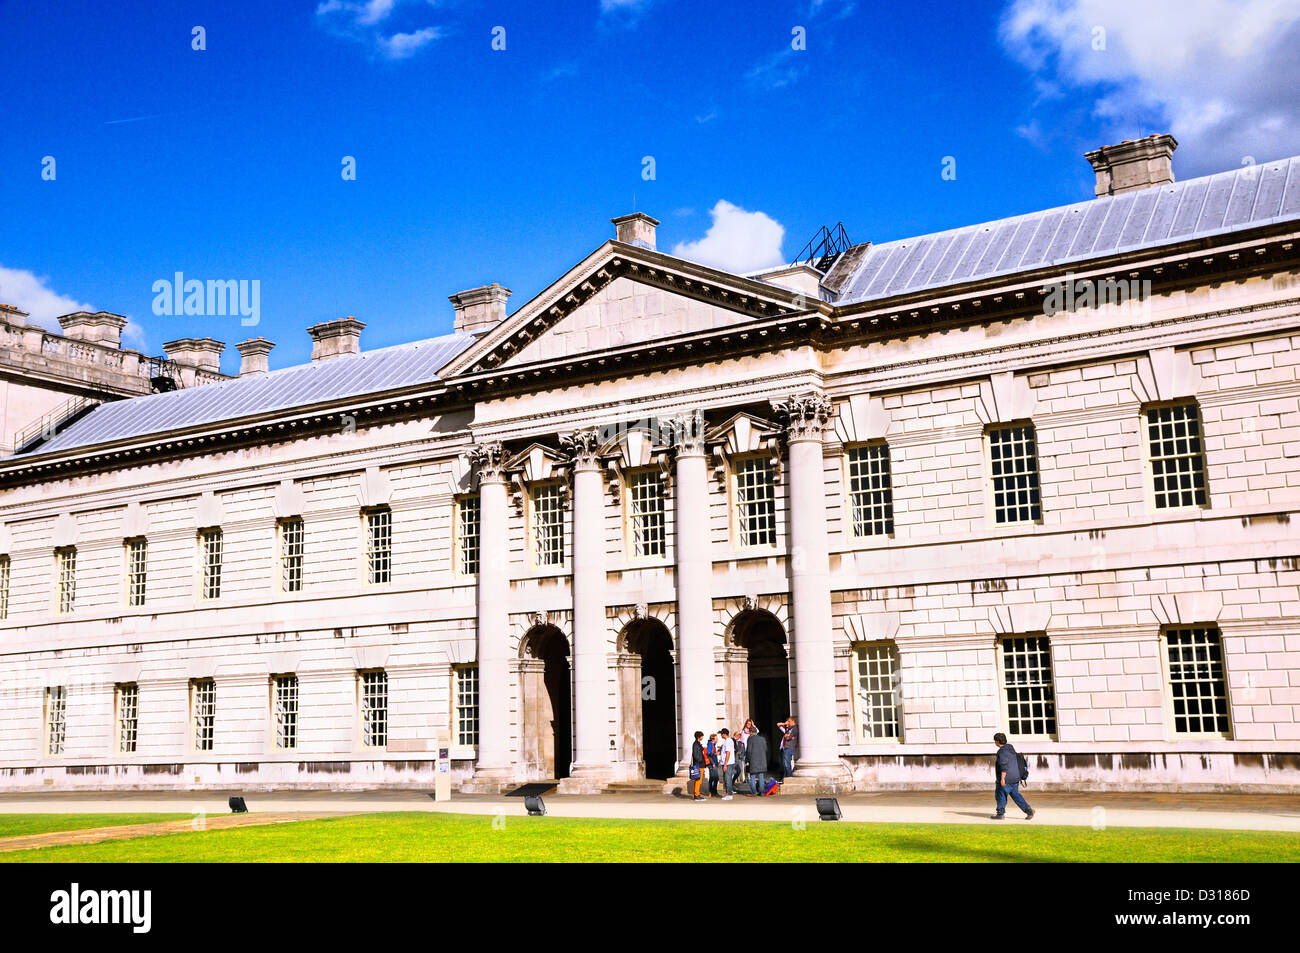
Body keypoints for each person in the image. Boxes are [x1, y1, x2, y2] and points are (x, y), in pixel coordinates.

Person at [991, 732, 1034, 820]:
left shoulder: (1001, 752)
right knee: (1016, 795)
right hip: (1015, 777)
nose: (995, 742)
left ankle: (1000, 814)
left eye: (995, 741)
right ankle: (1028, 810)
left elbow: (1004, 766)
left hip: (1007, 778)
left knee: (1000, 795)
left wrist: (1002, 779)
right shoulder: (1010, 747)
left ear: (998, 741)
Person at [746, 727, 770, 796]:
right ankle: (762, 792)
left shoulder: (750, 739)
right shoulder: (762, 739)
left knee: (752, 777)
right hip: (762, 760)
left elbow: (749, 751)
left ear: (750, 732)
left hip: (753, 760)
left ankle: (754, 793)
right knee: (761, 777)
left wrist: (747, 760)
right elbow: (765, 749)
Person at [777, 716, 797, 782]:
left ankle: (789, 779)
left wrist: (787, 736)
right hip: (785, 748)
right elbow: (778, 725)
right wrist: (784, 724)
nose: (788, 723)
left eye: (789, 721)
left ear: (793, 721)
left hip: (789, 748)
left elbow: (788, 737)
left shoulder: (794, 728)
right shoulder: (788, 729)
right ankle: (785, 779)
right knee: (785, 764)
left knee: (787, 765)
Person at [718, 728, 736, 800]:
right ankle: (728, 793)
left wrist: (725, 764)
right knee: (727, 778)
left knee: (727, 778)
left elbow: (728, 753)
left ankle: (729, 794)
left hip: (728, 763)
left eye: (721, 734)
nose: (721, 735)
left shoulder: (728, 741)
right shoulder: (728, 740)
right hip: (728, 763)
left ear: (724, 734)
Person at [690, 730, 707, 801]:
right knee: (698, 780)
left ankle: (697, 794)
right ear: (699, 737)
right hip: (699, 764)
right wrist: (701, 760)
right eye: (702, 736)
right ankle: (696, 795)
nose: (703, 737)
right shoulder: (696, 744)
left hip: (700, 764)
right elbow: (696, 755)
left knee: (698, 780)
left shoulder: (697, 743)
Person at [706, 732, 720, 797]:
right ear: (713, 739)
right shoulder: (710, 744)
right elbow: (709, 754)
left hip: (714, 763)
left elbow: (712, 753)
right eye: (716, 738)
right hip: (712, 764)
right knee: (714, 778)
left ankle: (712, 792)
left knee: (714, 778)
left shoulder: (713, 745)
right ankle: (712, 792)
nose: (717, 739)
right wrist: (713, 763)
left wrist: (715, 753)